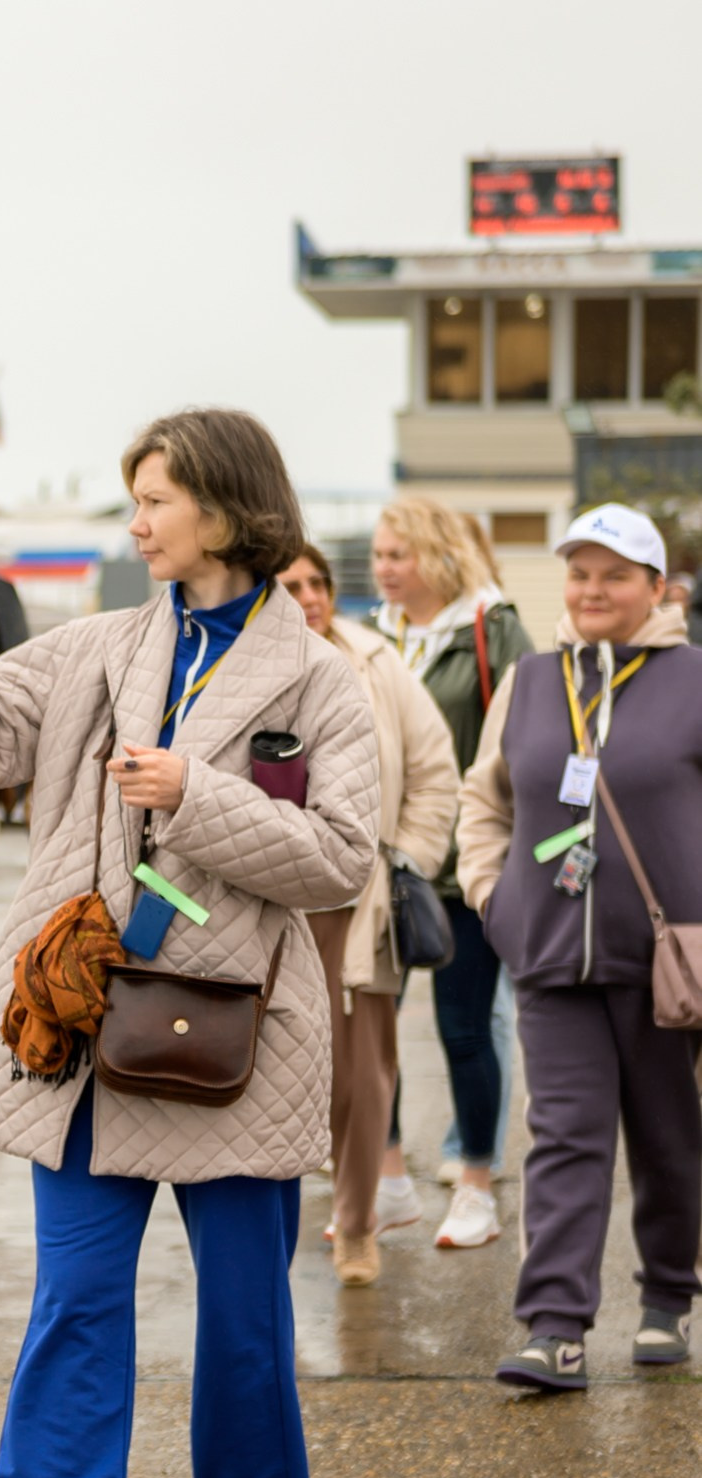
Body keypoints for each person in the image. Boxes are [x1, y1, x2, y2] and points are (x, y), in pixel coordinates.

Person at [0, 408, 376, 1478]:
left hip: (238, 1043)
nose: (136, 520)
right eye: (134, 498)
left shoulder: (321, 679)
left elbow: (338, 861)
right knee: (75, 1304)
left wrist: (193, 797)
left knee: (245, 1314)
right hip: (85, 1025)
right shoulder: (96, 646)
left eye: (154, 498)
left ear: (224, 506)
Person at [457, 503, 702, 1391]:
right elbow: (482, 803)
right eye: (579, 572)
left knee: (672, 1140)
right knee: (562, 1136)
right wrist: (497, 898)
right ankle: (555, 1325)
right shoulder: (530, 681)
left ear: (656, 588)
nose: (592, 590)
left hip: (671, 964)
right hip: (551, 953)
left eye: (615, 574)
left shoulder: (693, 679)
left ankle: (669, 1293)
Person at [276, 547, 458, 1286]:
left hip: (363, 898)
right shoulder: (247, 665)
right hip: (274, 900)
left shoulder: (378, 662)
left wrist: (405, 860)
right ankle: (267, 1234)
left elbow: (435, 768)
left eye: (318, 583)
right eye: (291, 586)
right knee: (279, 1074)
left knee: (365, 1072)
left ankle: (357, 1224)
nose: (310, 596)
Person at [369, 496, 531, 1247]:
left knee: (465, 1031)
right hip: (383, 863)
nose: (385, 568)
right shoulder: (373, 633)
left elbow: (525, 743)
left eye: (397, 554)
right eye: (378, 555)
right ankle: (390, 1178)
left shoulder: (493, 628)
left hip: (463, 865)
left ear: (436, 554)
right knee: (372, 1032)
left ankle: (475, 1183)